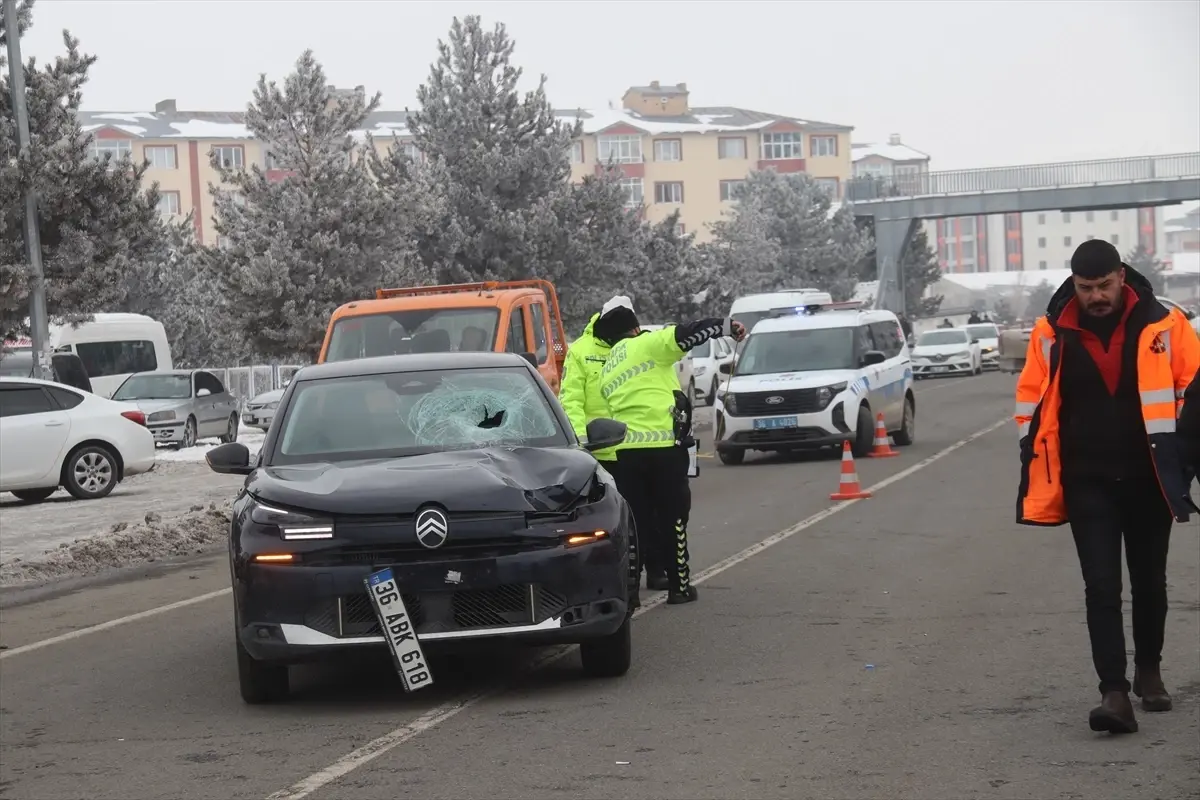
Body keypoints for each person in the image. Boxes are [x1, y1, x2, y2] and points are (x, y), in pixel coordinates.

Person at [1014, 239, 1200, 735]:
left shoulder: (1166, 325)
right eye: (1086, 287)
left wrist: (1185, 460)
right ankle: (1114, 692)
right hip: (1086, 479)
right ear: (1073, 284)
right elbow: (1030, 403)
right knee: (1100, 585)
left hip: (1150, 478)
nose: (1096, 296)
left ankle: (1150, 671)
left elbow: (1194, 392)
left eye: (1104, 285)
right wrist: (1034, 458)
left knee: (1149, 582)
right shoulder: (1052, 334)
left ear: (1122, 277)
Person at [595, 297, 746, 604]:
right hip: (665, 448)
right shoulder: (647, 345)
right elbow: (686, 333)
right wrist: (727, 327)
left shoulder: (608, 366)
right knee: (674, 516)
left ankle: (632, 593)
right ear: (635, 328)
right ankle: (679, 586)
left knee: (636, 523)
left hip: (626, 453)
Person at [559, 300, 660, 590]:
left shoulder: (643, 346)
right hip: (601, 452)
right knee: (609, 520)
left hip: (638, 446)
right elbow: (571, 400)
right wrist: (580, 445)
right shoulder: (582, 351)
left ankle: (654, 568)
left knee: (649, 514)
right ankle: (618, 576)